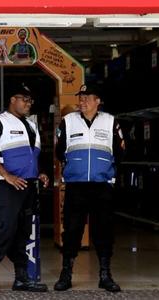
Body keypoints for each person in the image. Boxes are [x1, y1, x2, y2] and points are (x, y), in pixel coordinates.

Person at [0, 83, 49, 294]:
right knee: (6, 228)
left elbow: (34, 156)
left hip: (28, 185)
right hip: (5, 186)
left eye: (30, 101)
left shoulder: (32, 125)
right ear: (12, 100)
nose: (28, 104)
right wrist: (6, 175)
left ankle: (21, 278)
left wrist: (41, 173)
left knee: (23, 232)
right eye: (24, 99)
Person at [53, 83, 125, 292]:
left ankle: (105, 274)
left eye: (86, 97)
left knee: (103, 230)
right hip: (76, 186)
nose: (82, 101)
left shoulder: (111, 121)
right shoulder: (68, 121)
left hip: (102, 186)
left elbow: (120, 152)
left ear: (98, 101)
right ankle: (66, 273)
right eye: (80, 97)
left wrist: (107, 170)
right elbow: (59, 150)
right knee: (72, 230)